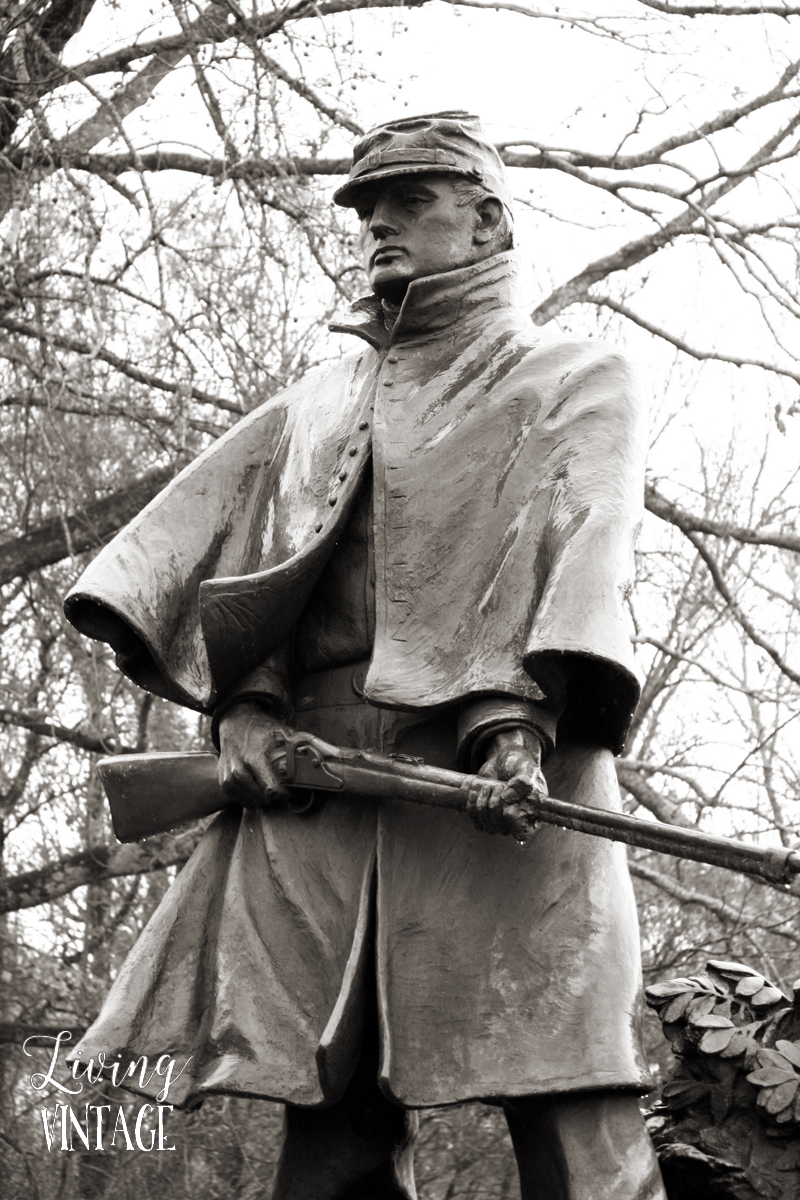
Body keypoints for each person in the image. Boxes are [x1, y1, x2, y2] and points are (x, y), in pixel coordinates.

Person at [65, 112, 666, 1199]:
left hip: (502, 776)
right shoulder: (316, 400)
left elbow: (577, 545)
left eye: (407, 201)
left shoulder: (575, 376)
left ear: (484, 219)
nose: (376, 224)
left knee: (578, 1121)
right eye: (365, 209)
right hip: (321, 793)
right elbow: (243, 570)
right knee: (325, 1131)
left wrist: (511, 726)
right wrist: (244, 714)